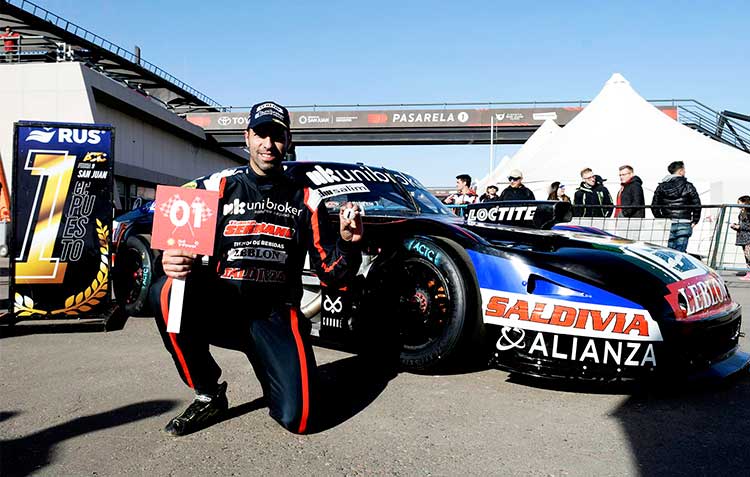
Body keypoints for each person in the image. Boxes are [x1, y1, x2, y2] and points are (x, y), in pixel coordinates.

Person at [149, 101, 363, 436]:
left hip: (274, 315)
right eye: (261, 134)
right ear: (246, 137)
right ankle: (208, 394)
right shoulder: (216, 186)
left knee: (300, 419)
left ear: (288, 141)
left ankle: (274, 366)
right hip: (221, 306)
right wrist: (168, 254)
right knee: (166, 293)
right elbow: (174, 229)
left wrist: (349, 244)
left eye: (277, 136)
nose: (268, 144)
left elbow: (331, 274)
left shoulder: (309, 199)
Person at [651, 160, 701, 252]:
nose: (685, 172)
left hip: (668, 222)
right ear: (680, 171)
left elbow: (654, 206)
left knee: (669, 252)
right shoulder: (688, 186)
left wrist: (661, 219)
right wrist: (695, 220)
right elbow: (697, 204)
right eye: (684, 169)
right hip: (685, 221)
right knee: (681, 252)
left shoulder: (661, 187)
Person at [730, 195, 750, 280]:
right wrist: (736, 226)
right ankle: (748, 272)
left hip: (748, 238)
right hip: (743, 237)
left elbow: (747, 226)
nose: (738, 205)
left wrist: (739, 226)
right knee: (746, 256)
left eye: (739, 202)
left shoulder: (748, 213)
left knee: (749, 255)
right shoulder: (742, 213)